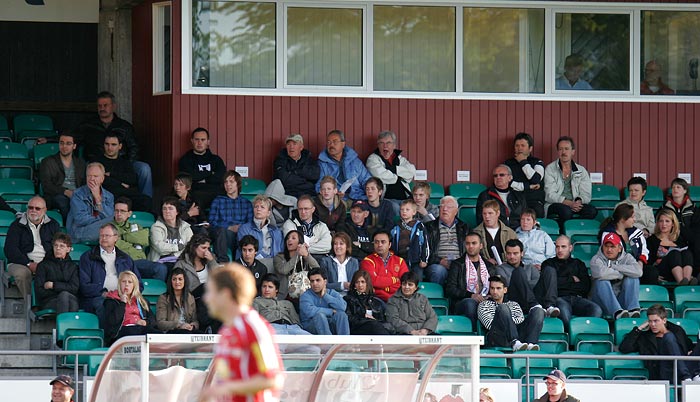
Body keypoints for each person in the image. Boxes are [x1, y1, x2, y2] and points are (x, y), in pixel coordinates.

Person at [200, 264, 284, 402]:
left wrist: (226, 388)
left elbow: (272, 379)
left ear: (225, 294)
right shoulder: (226, 331)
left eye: (210, 292)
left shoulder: (253, 326)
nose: (206, 299)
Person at [77, 91, 152, 197]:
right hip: (97, 162)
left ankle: (146, 201)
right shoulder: (88, 125)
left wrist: (126, 166)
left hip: (123, 162)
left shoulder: (124, 126)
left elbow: (134, 148)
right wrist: (48, 139)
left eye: (105, 105)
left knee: (144, 168)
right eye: (99, 106)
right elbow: (72, 138)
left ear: (113, 107)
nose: (102, 108)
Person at [620, 304, 700, 383]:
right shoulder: (644, 338)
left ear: (664, 320)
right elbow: (624, 348)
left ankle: (693, 375)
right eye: (650, 321)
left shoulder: (677, 331)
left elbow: (690, 347)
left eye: (656, 321)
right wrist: (639, 328)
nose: (653, 325)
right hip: (664, 372)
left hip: (685, 367)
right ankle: (687, 377)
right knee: (668, 337)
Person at [78, 223, 141, 317]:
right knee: (105, 305)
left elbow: (138, 283)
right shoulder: (88, 257)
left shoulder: (125, 258)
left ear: (116, 238)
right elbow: (84, 286)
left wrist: (127, 294)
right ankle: (108, 332)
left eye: (107, 235)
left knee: (144, 304)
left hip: (123, 295)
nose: (103, 238)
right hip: (99, 297)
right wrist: (104, 293)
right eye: (101, 235)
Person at [4, 196, 61, 300]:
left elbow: (58, 247)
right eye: (30, 207)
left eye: (37, 208)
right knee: (21, 274)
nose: (33, 211)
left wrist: (44, 264)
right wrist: (29, 263)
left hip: (46, 261)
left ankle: (49, 303)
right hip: (21, 263)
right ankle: (31, 304)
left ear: (45, 210)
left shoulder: (53, 225)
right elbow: (10, 250)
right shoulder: (16, 225)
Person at [543, 235, 602, 329]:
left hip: (578, 299)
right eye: (557, 247)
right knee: (565, 316)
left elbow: (585, 287)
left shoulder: (579, 264)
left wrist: (560, 281)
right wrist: (571, 280)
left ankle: (583, 332)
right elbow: (549, 286)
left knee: (596, 310)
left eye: (563, 247)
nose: (559, 250)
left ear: (570, 248)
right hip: (559, 298)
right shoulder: (548, 264)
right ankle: (574, 336)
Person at [495, 239, 559, 318]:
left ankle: (550, 306)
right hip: (515, 301)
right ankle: (533, 305)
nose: (511, 256)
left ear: (522, 253)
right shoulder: (500, 269)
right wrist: (521, 281)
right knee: (518, 272)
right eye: (508, 253)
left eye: (515, 253)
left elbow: (538, 282)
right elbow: (506, 286)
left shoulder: (530, 268)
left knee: (550, 270)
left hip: (535, 299)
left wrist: (523, 283)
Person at [477, 275, 542, 351]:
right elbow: (489, 324)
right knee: (502, 308)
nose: (494, 291)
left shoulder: (514, 304)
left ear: (505, 290)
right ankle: (514, 342)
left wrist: (507, 320)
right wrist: (505, 317)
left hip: (517, 334)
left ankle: (531, 344)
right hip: (497, 337)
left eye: (498, 288)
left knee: (538, 311)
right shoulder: (484, 304)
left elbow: (520, 320)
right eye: (492, 288)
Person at [445, 233, 495, 329]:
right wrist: (471, 295)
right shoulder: (457, 264)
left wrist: (490, 295)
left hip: (485, 300)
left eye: (474, 243)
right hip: (462, 302)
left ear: (481, 245)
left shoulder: (489, 266)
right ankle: (474, 334)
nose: (470, 246)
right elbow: (450, 289)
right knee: (470, 303)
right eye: (468, 243)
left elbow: (495, 286)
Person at [544, 136, 597, 225]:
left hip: (575, 203)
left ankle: (577, 231)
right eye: (560, 149)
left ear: (573, 152)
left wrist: (578, 202)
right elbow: (550, 195)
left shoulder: (581, 170)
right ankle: (562, 233)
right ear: (558, 152)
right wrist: (569, 203)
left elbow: (586, 194)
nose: (563, 152)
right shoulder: (550, 169)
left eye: (566, 149)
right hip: (555, 203)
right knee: (566, 211)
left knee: (591, 211)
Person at [112, 197, 167, 281]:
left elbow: (144, 240)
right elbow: (115, 245)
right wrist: (133, 242)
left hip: (139, 262)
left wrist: (124, 237)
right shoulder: (109, 228)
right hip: (122, 263)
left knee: (161, 268)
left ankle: (158, 294)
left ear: (129, 213)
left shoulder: (136, 226)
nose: (119, 214)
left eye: (122, 211)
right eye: (116, 211)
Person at [173, 233, 220, 332]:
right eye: (203, 248)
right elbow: (176, 283)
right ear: (194, 247)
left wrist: (211, 261)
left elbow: (219, 278)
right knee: (205, 287)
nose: (206, 251)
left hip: (209, 298)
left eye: (208, 248)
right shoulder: (182, 264)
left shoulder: (209, 261)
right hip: (190, 296)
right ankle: (206, 325)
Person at [590, 232, 642, 319]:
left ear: (619, 248)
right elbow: (601, 274)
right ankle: (617, 312)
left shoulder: (627, 257)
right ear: (602, 247)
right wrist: (622, 274)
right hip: (600, 302)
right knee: (602, 281)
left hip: (620, 300)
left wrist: (614, 267)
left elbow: (638, 272)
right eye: (607, 246)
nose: (609, 250)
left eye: (612, 246)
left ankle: (633, 309)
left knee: (633, 279)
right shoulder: (596, 259)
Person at [94, 133, 152, 211]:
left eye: (113, 144)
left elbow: (132, 179)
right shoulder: (97, 161)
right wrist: (120, 183)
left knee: (146, 200)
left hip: (126, 194)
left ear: (120, 146)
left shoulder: (125, 162)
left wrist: (112, 174)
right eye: (107, 144)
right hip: (108, 194)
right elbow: (102, 179)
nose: (109, 148)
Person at [39, 131, 86, 220]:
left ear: (74, 146)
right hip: (57, 195)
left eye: (68, 144)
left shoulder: (80, 163)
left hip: (77, 195)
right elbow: (47, 186)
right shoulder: (48, 161)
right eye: (62, 143)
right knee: (64, 202)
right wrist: (65, 192)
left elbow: (84, 183)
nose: (64, 146)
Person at [209, 170, 253, 262]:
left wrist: (240, 228)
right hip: (224, 236)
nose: (228, 184)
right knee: (221, 231)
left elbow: (250, 222)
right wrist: (229, 227)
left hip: (241, 235)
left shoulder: (246, 203)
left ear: (238, 184)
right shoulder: (218, 201)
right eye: (226, 182)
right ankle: (223, 263)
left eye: (231, 182)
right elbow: (212, 222)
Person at [425, 196, 470, 285]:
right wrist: (440, 261)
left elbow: (469, 249)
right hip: (438, 264)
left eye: (449, 207)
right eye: (442, 206)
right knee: (438, 271)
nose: (445, 209)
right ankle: (437, 297)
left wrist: (459, 262)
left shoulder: (464, 228)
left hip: (459, 263)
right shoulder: (429, 227)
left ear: (456, 211)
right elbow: (424, 251)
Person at [102, 270, 156, 345]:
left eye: (130, 282)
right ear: (119, 284)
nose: (126, 284)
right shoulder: (111, 300)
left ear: (134, 285)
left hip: (140, 329)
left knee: (158, 334)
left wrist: (145, 322)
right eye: (124, 282)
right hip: (122, 332)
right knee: (133, 331)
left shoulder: (141, 301)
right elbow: (112, 321)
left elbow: (153, 319)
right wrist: (122, 303)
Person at [178, 127, 227, 208]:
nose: (199, 143)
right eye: (197, 139)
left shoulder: (216, 160)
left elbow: (222, 177)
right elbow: (189, 178)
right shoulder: (185, 160)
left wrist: (202, 178)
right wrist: (211, 173)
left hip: (216, 194)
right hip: (195, 195)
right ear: (192, 141)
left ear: (208, 142)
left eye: (203, 140)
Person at [316, 129, 371, 201]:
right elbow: (319, 185)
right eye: (329, 142)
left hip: (357, 196)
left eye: (335, 142)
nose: (331, 145)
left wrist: (371, 191)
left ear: (343, 144)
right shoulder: (323, 163)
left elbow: (366, 179)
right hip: (335, 199)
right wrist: (333, 194)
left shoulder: (354, 161)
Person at [67, 162, 115, 243]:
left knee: (117, 220)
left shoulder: (109, 196)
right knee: (115, 222)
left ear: (102, 179)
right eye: (89, 176)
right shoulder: (77, 194)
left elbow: (109, 216)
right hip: (81, 232)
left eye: (95, 176)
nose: (91, 179)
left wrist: (98, 199)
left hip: (102, 230)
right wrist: (100, 220)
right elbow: (81, 219)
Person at [647, 209, 696, 285]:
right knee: (674, 253)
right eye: (661, 221)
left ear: (673, 224)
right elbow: (648, 262)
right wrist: (654, 275)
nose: (664, 224)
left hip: (680, 271)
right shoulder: (652, 240)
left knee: (687, 253)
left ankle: (687, 279)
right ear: (657, 223)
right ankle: (682, 283)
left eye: (667, 221)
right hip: (663, 271)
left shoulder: (679, 240)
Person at [365, 130, 416, 203]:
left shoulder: (399, 158)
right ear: (378, 145)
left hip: (406, 197)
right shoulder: (372, 159)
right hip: (386, 199)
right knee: (397, 210)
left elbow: (411, 172)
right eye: (381, 143)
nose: (385, 146)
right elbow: (381, 176)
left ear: (394, 145)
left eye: (388, 143)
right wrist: (400, 177)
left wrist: (395, 169)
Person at [35, 233, 79, 314]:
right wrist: (60, 291)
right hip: (49, 300)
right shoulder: (43, 265)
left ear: (68, 249)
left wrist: (53, 285)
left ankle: (62, 326)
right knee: (66, 298)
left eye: (62, 246)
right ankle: (66, 326)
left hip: (69, 298)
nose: (58, 248)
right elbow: (40, 291)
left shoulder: (73, 267)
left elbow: (74, 288)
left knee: (66, 297)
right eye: (55, 245)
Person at [360, 230, 409, 302]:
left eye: (383, 242)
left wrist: (381, 286)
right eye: (376, 242)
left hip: (398, 299)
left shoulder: (400, 261)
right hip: (376, 300)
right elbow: (373, 282)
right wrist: (394, 280)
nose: (379, 245)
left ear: (389, 245)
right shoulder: (367, 261)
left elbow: (405, 283)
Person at [504, 132, 545, 218]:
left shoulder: (537, 162)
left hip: (533, 200)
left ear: (530, 148)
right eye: (517, 145)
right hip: (514, 198)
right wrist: (528, 186)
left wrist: (523, 162)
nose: (519, 148)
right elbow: (508, 183)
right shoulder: (508, 164)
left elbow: (536, 179)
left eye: (523, 145)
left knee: (538, 211)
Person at [299, 267, 350, 335]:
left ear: (325, 281)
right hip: (311, 325)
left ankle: (344, 343)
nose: (314, 283)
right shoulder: (305, 296)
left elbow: (342, 307)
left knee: (341, 314)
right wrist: (331, 311)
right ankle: (328, 344)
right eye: (312, 281)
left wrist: (325, 296)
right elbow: (311, 312)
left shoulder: (331, 292)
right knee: (320, 316)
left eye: (318, 280)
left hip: (329, 323)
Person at [236, 195, 282, 266]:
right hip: (252, 264)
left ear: (268, 213)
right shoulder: (244, 229)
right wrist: (268, 258)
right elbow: (246, 250)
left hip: (274, 263)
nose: (258, 209)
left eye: (262, 207)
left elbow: (280, 252)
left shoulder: (276, 231)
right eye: (256, 207)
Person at [273, 229, 320, 300]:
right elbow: (283, 270)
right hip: (286, 295)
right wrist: (297, 255)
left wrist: (306, 255)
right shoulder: (279, 257)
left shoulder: (305, 257)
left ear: (300, 242)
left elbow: (317, 269)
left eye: (293, 238)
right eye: (288, 238)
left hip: (305, 293)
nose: (289, 240)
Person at [386, 271, 437, 336]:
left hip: (424, 333)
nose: (406, 287)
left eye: (410, 284)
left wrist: (425, 330)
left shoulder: (423, 298)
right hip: (403, 333)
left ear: (416, 287)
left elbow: (432, 317)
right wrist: (411, 331)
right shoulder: (393, 300)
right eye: (404, 284)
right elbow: (393, 319)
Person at [476, 164, 527, 230]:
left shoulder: (519, 196)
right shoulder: (485, 196)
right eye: (495, 176)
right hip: (496, 231)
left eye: (501, 175)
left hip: (518, 231)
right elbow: (481, 219)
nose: (498, 177)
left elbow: (526, 215)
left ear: (510, 177)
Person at [149, 197, 193, 267]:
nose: (167, 211)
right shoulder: (156, 227)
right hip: (161, 262)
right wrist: (178, 247)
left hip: (180, 260)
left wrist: (175, 255)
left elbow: (190, 246)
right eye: (164, 209)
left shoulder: (185, 227)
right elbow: (160, 247)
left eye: (170, 208)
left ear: (177, 212)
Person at [273, 133, 320, 198]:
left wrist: (296, 172)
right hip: (287, 195)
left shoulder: (308, 158)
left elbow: (315, 175)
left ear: (301, 147)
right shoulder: (281, 159)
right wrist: (305, 181)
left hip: (308, 194)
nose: (291, 147)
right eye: (288, 144)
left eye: (294, 144)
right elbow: (284, 179)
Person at [344, 270, 391, 335]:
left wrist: (374, 321)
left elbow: (384, 321)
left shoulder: (377, 302)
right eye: (357, 282)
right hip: (357, 331)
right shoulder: (348, 300)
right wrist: (364, 317)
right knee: (373, 324)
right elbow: (348, 319)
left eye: (363, 282)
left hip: (376, 330)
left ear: (367, 283)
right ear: (354, 285)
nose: (360, 285)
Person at [390, 199, 429, 277]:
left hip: (416, 261)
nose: (404, 211)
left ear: (414, 212)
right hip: (400, 260)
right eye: (402, 209)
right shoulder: (396, 227)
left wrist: (424, 259)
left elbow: (425, 243)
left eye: (407, 210)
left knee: (416, 281)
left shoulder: (419, 226)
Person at [473, 200, 518, 264]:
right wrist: (485, 261)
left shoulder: (510, 233)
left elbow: (516, 254)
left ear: (498, 213)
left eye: (490, 213)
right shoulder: (475, 233)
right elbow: (471, 254)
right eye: (484, 213)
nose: (487, 216)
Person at [156, 267, 199, 333]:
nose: (177, 282)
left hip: (188, 330)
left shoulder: (190, 298)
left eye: (180, 279)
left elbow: (195, 320)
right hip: (172, 331)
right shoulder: (163, 298)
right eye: (174, 279)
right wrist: (179, 325)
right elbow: (160, 323)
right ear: (170, 281)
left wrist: (192, 326)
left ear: (184, 281)